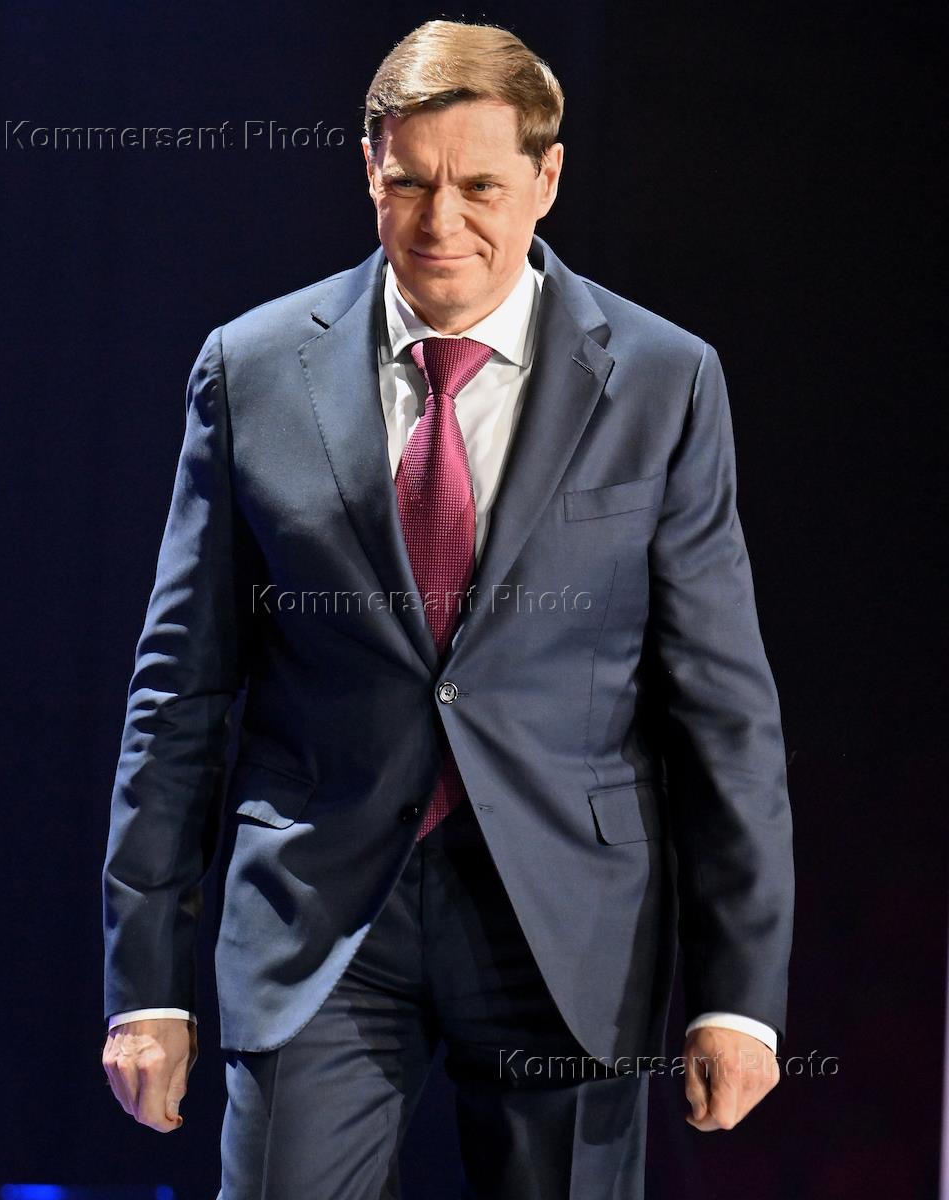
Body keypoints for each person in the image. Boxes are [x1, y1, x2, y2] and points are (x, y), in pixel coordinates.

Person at [101, 19, 794, 1200]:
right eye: (410, 183)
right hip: (318, 915)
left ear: (546, 178)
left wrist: (738, 998)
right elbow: (179, 689)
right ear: (368, 168)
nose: (441, 222)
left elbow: (720, 705)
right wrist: (148, 985)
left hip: (568, 928)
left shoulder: (663, 378)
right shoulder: (250, 367)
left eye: (479, 186)